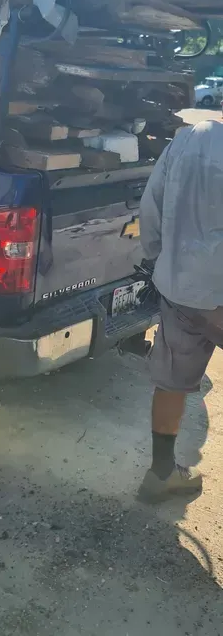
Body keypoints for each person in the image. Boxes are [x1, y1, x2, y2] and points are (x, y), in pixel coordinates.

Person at [138, 118, 223, 502]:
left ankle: (161, 475)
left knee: (171, 379)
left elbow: (151, 204)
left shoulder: (189, 138)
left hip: (181, 286)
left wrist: (161, 261)